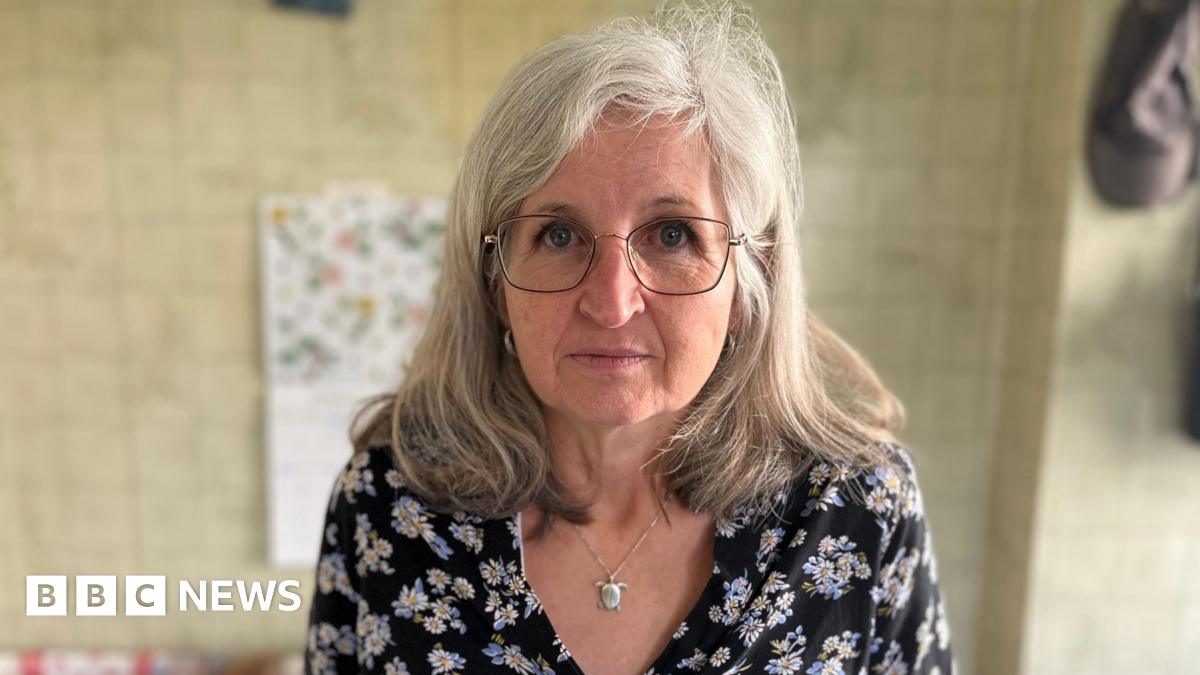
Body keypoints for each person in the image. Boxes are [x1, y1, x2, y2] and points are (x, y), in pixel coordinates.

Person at [304, 2, 955, 674]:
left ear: (750, 277)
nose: (612, 303)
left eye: (673, 234)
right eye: (558, 235)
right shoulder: (387, 504)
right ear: (493, 277)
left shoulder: (858, 510)